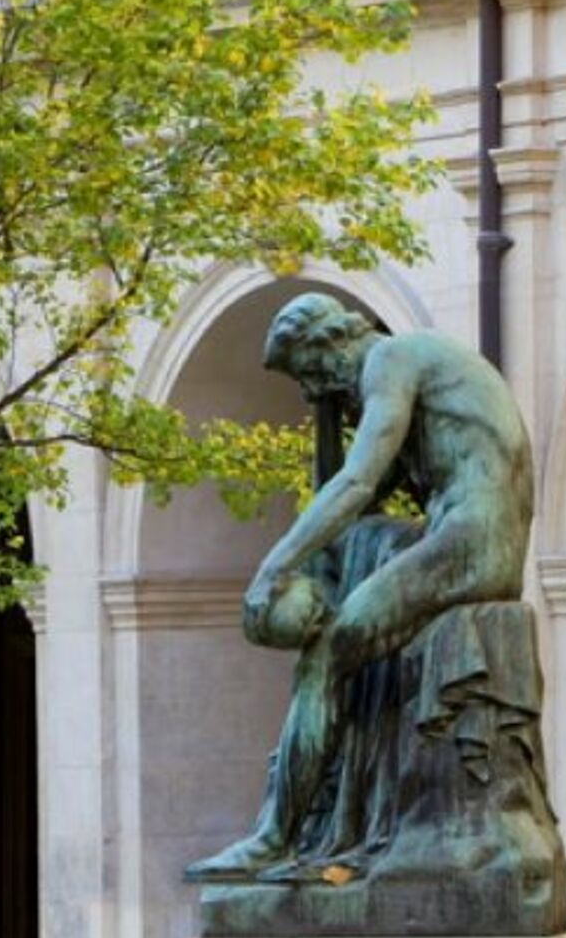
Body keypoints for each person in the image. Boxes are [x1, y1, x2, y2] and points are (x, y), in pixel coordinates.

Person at [188, 294, 534, 883]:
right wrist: (326, 420)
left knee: (326, 656)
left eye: (310, 373)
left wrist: (272, 570)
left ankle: (275, 836)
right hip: (468, 534)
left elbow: (355, 485)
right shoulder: (405, 370)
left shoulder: (390, 360)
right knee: (355, 550)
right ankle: (327, 809)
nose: (313, 389)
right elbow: (352, 506)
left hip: (474, 539)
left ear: (330, 342)